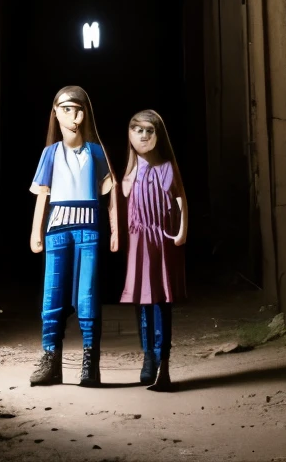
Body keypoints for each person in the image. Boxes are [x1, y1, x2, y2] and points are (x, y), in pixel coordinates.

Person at [29, 85, 119, 387]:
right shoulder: (50, 153)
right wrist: (36, 231)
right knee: (52, 294)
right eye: (66, 108)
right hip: (56, 229)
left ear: (86, 113)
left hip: (89, 229)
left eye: (78, 108)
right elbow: (43, 194)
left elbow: (111, 193)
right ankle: (51, 358)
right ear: (55, 112)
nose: (73, 115)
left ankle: (90, 362)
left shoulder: (96, 152)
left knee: (87, 295)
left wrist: (116, 229)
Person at [120, 108, 187, 391]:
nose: (144, 135)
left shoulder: (167, 168)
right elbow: (122, 198)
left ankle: (164, 359)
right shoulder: (130, 172)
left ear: (159, 135)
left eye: (150, 130)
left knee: (162, 299)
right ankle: (148, 357)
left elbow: (181, 199)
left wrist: (182, 230)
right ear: (130, 134)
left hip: (162, 241)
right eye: (138, 130)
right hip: (139, 242)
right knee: (142, 299)